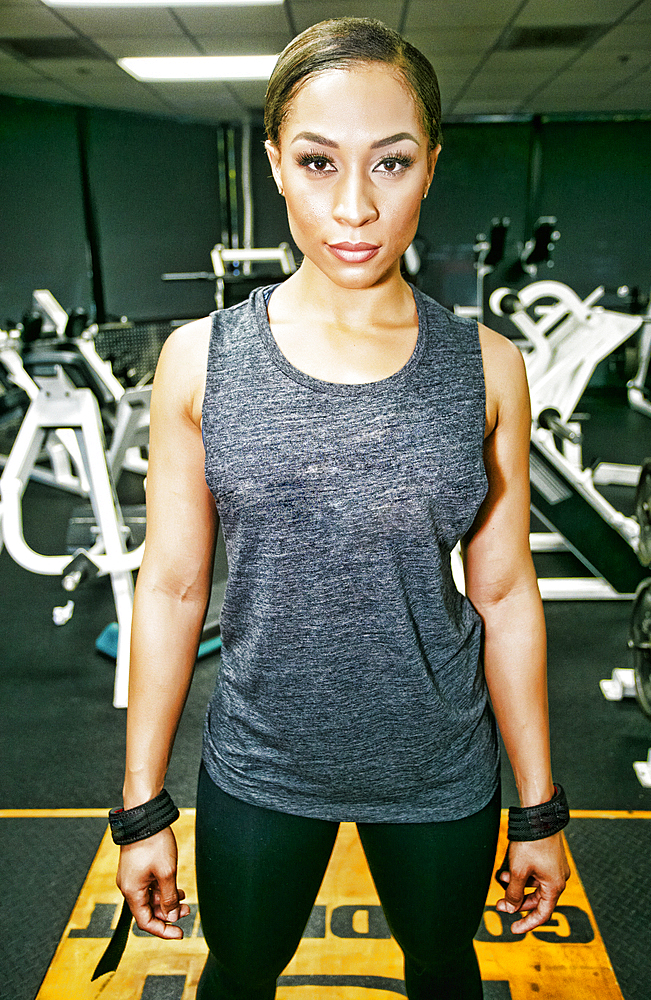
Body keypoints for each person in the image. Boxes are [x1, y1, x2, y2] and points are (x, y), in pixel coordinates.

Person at [114, 17, 570, 1000]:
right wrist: (141, 804)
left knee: (445, 967)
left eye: (391, 163)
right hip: (261, 764)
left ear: (431, 166)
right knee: (238, 974)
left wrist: (539, 805)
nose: (355, 205)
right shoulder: (201, 361)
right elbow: (172, 585)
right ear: (275, 163)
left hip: (438, 765)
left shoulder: (487, 368)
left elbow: (504, 594)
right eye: (319, 162)